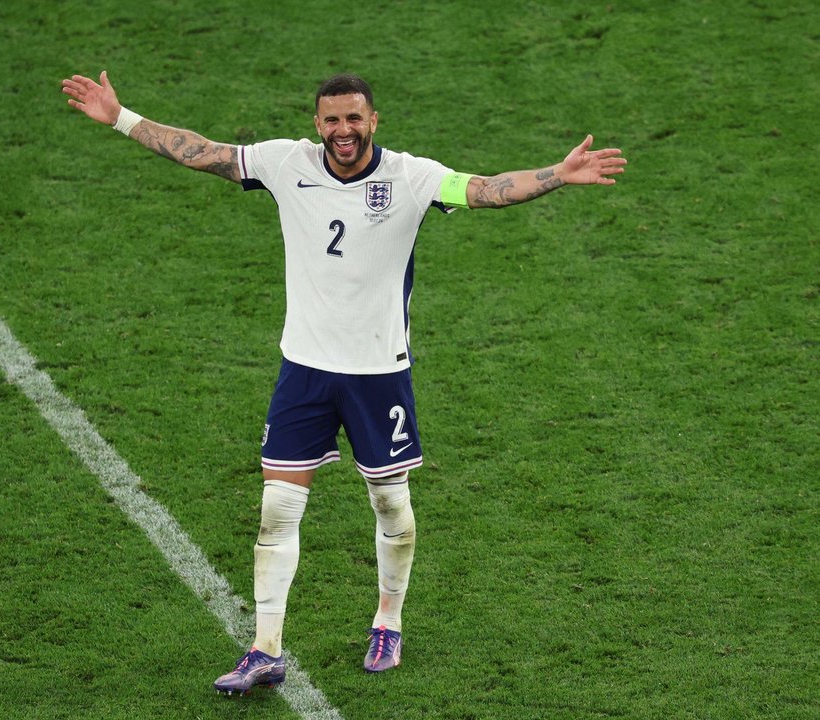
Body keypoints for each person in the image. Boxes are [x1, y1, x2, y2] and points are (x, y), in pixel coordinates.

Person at [61, 70, 626, 694]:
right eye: (331, 120)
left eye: (354, 119)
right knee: (277, 508)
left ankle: (389, 620)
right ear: (317, 124)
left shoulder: (410, 178)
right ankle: (265, 648)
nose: (342, 131)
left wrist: (556, 174)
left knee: (390, 503)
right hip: (303, 369)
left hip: (378, 375)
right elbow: (205, 152)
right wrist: (120, 116)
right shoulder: (284, 163)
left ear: (373, 121)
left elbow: (487, 189)